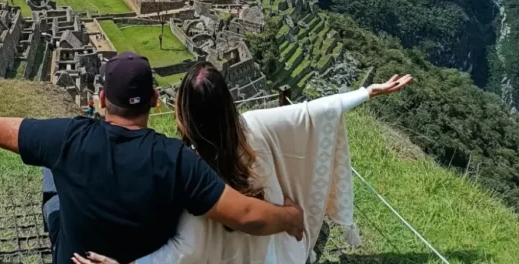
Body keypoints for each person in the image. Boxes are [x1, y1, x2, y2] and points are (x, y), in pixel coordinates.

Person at [0, 52, 304, 264]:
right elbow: (246, 215)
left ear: (101, 99)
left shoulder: (68, 137)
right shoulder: (176, 161)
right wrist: (290, 216)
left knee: (51, 169)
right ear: (156, 102)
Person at [72, 64, 412, 264]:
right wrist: (368, 92)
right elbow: (313, 112)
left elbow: (182, 252)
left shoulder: (191, 175)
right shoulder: (257, 126)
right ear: (227, 102)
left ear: (183, 111)